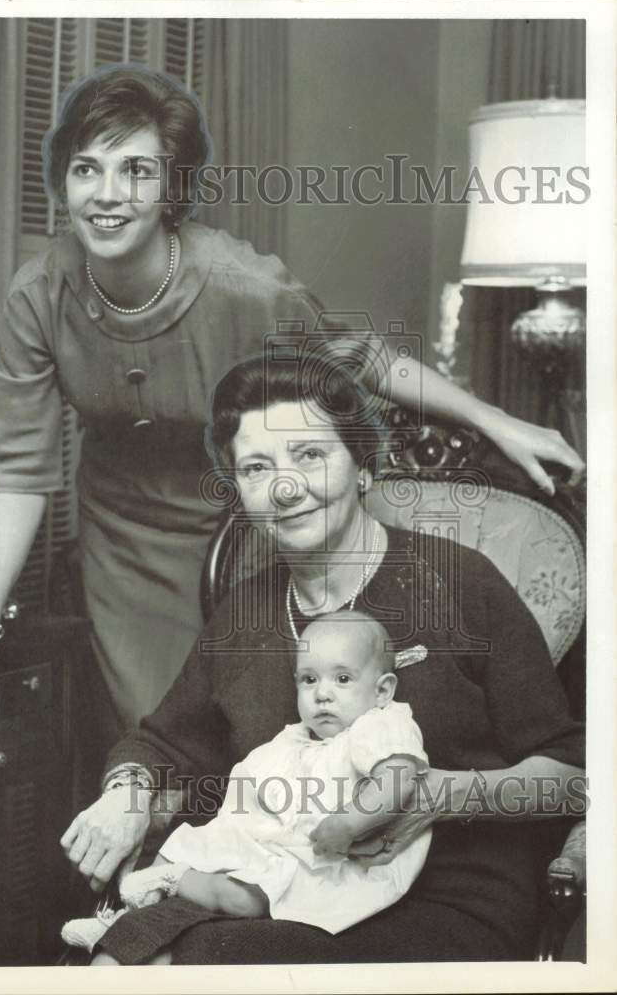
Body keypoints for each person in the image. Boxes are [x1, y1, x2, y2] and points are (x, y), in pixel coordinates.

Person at [0, 65, 585, 741]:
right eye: (86, 168)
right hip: (120, 540)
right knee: (154, 729)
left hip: (250, 529)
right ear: (63, 179)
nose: (106, 193)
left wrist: (496, 418)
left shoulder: (243, 287)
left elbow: (360, 356)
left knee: (257, 723)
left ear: (172, 188)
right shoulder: (37, 294)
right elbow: (22, 471)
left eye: (137, 170)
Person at [61, 352, 585, 966]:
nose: (286, 487)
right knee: (122, 960)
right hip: (277, 884)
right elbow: (163, 744)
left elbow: (572, 779)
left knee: (192, 962)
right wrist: (126, 795)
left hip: (447, 896)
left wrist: (441, 796)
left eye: (310, 454)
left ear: (363, 466)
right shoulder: (248, 612)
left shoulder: (459, 584)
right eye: (257, 467)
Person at [62, 612, 430, 947]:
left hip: (334, 862)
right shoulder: (299, 737)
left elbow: (398, 777)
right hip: (278, 846)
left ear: (382, 690)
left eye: (343, 679)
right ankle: (123, 917)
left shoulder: (380, 725)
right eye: (309, 679)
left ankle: (165, 883)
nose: (322, 693)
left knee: (242, 898)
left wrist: (349, 823)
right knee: (191, 843)